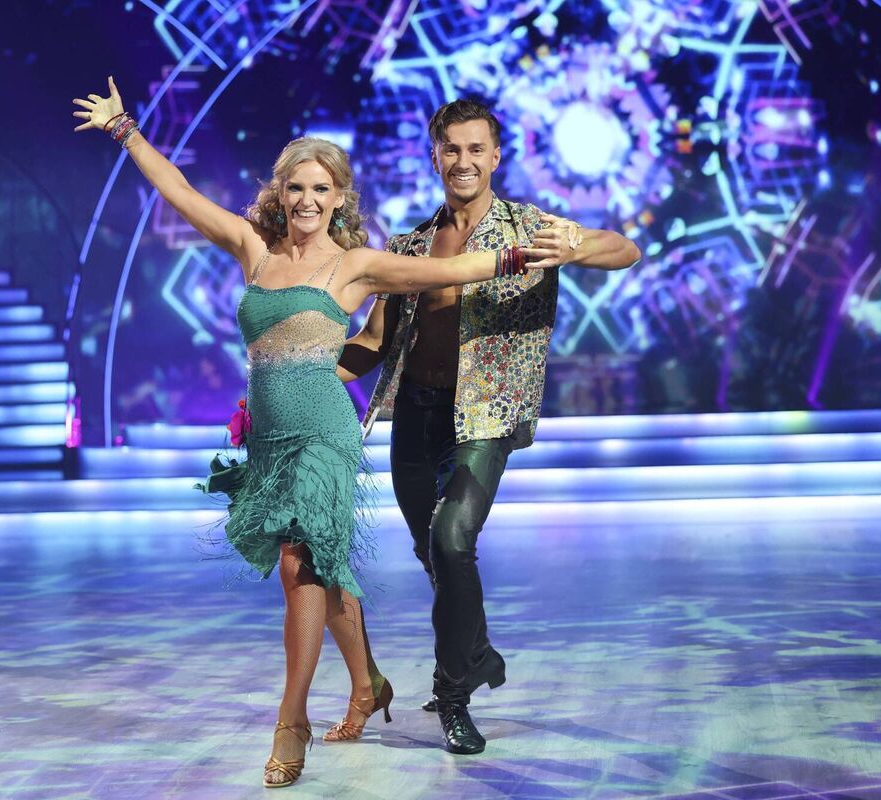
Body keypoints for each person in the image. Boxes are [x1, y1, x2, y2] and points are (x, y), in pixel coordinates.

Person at [73, 80, 546, 787]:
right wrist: (126, 132)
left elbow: (445, 268)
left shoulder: (352, 265)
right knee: (325, 572)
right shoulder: (252, 249)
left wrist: (514, 258)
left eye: (321, 188)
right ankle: (368, 684)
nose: (307, 199)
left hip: (326, 431)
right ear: (280, 192)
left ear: (338, 198)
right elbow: (177, 193)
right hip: (269, 435)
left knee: (301, 567)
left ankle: (290, 721)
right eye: (297, 186)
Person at [338, 98, 641, 755]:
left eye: (477, 149)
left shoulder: (530, 229)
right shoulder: (410, 245)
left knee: (453, 540)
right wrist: (303, 380)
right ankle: (477, 654)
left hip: (485, 416)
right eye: (452, 149)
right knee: (435, 557)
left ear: (496, 156)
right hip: (414, 416)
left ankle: (453, 696)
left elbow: (626, 248)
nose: (464, 161)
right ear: (435, 155)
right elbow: (373, 339)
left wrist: (582, 245)